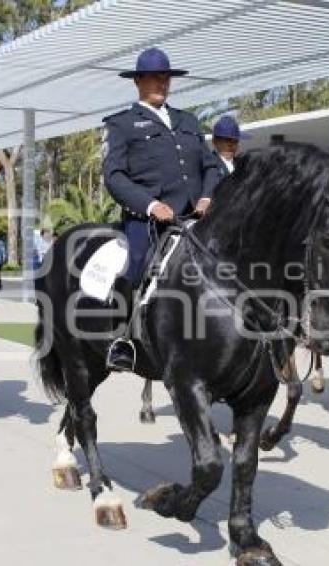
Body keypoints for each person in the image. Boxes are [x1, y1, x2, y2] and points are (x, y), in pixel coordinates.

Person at [102, 47, 221, 371]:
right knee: (135, 265)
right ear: (138, 81)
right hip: (149, 222)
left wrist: (208, 197)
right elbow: (114, 176)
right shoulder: (122, 124)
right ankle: (123, 338)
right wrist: (151, 204)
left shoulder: (189, 120)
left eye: (165, 77)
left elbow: (211, 166)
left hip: (195, 218)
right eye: (154, 77)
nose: (161, 83)